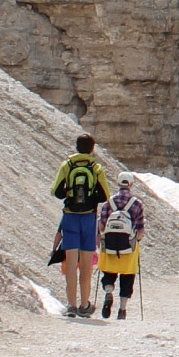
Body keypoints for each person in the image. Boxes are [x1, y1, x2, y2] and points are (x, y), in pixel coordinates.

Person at [51, 135, 111, 317]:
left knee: (70, 263)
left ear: (76, 147)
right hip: (88, 219)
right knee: (86, 264)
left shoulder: (66, 165)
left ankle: (71, 305)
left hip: (70, 217)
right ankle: (84, 305)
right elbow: (105, 196)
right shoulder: (96, 168)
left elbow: (56, 191)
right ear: (92, 149)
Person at [96, 178, 145, 320]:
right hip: (128, 246)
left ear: (118, 183)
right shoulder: (137, 203)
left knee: (109, 273)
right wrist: (137, 239)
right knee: (127, 276)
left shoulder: (108, 202)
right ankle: (122, 310)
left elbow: (101, 226)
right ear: (131, 185)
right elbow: (140, 228)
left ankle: (108, 291)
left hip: (109, 245)